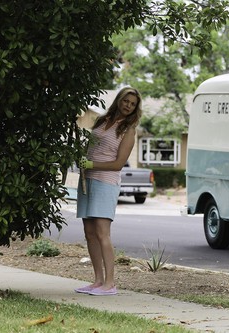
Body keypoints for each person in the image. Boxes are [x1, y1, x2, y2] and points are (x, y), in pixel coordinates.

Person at [74, 87, 142, 296]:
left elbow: (118, 164)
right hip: (87, 180)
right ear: (119, 100)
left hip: (106, 182)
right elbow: (91, 148)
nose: (128, 105)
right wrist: (83, 161)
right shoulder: (103, 120)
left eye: (132, 104)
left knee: (103, 234)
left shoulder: (128, 130)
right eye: (126, 101)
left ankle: (110, 284)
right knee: (90, 233)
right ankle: (97, 281)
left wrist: (91, 164)